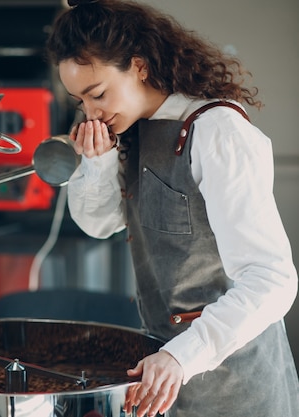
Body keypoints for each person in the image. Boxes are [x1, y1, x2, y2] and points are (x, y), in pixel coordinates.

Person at [45, 1, 299, 416]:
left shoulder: (217, 130)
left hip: (238, 386)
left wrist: (185, 355)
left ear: (139, 67)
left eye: (99, 95)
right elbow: (100, 224)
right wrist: (97, 161)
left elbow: (271, 279)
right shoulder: (132, 131)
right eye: (80, 102)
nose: (92, 114)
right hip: (162, 378)